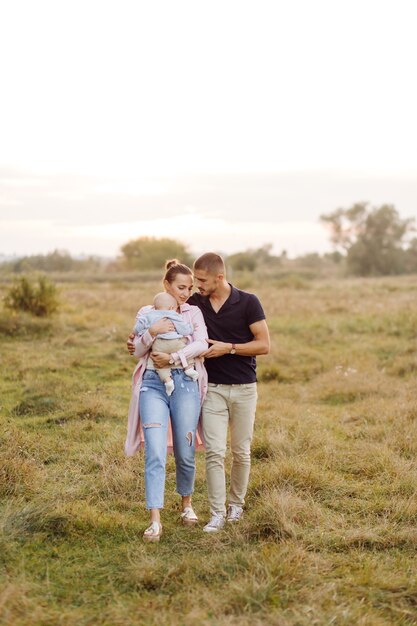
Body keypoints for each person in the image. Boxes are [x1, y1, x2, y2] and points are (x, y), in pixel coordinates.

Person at [125, 260, 208, 542]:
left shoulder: (193, 312)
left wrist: (173, 357)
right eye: (180, 287)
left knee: (185, 450)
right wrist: (153, 331)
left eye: (189, 288)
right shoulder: (147, 312)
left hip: (185, 382)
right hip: (152, 384)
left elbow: (201, 343)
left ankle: (186, 505)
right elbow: (136, 350)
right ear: (167, 285)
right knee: (156, 452)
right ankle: (155, 520)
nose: (186, 292)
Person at [188, 252, 270, 532]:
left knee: (241, 452)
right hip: (211, 389)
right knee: (213, 452)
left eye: (202, 280)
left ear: (219, 277)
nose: (197, 285)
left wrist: (229, 347)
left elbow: (264, 344)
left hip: (245, 388)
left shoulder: (248, 302)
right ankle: (216, 513)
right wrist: (141, 335)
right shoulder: (195, 302)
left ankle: (236, 506)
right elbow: (168, 312)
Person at [134, 291, 199, 396]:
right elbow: (184, 330)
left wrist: (139, 332)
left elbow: (138, 327)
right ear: (171, 308)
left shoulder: (149, 315)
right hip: (175, 343)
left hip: (158, 344)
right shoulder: (174, 315)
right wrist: (191, 328)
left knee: (159, 363)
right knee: (185, 351)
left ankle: (167, 381)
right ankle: (188, 368)